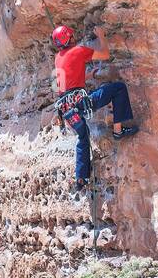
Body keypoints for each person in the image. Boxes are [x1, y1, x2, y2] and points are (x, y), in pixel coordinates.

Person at [51, 24, 138, 189]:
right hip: (81, 104)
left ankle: (81, 179)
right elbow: (105, 54)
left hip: (67, 111)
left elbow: (66, 80)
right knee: (118, 88)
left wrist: (87, 75)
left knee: (83, 138)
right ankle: (118, 131)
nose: (74, 37)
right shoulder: (78, 50)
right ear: (68, 38)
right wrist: (102, 36)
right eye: (72, 35)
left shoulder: (57, 58)